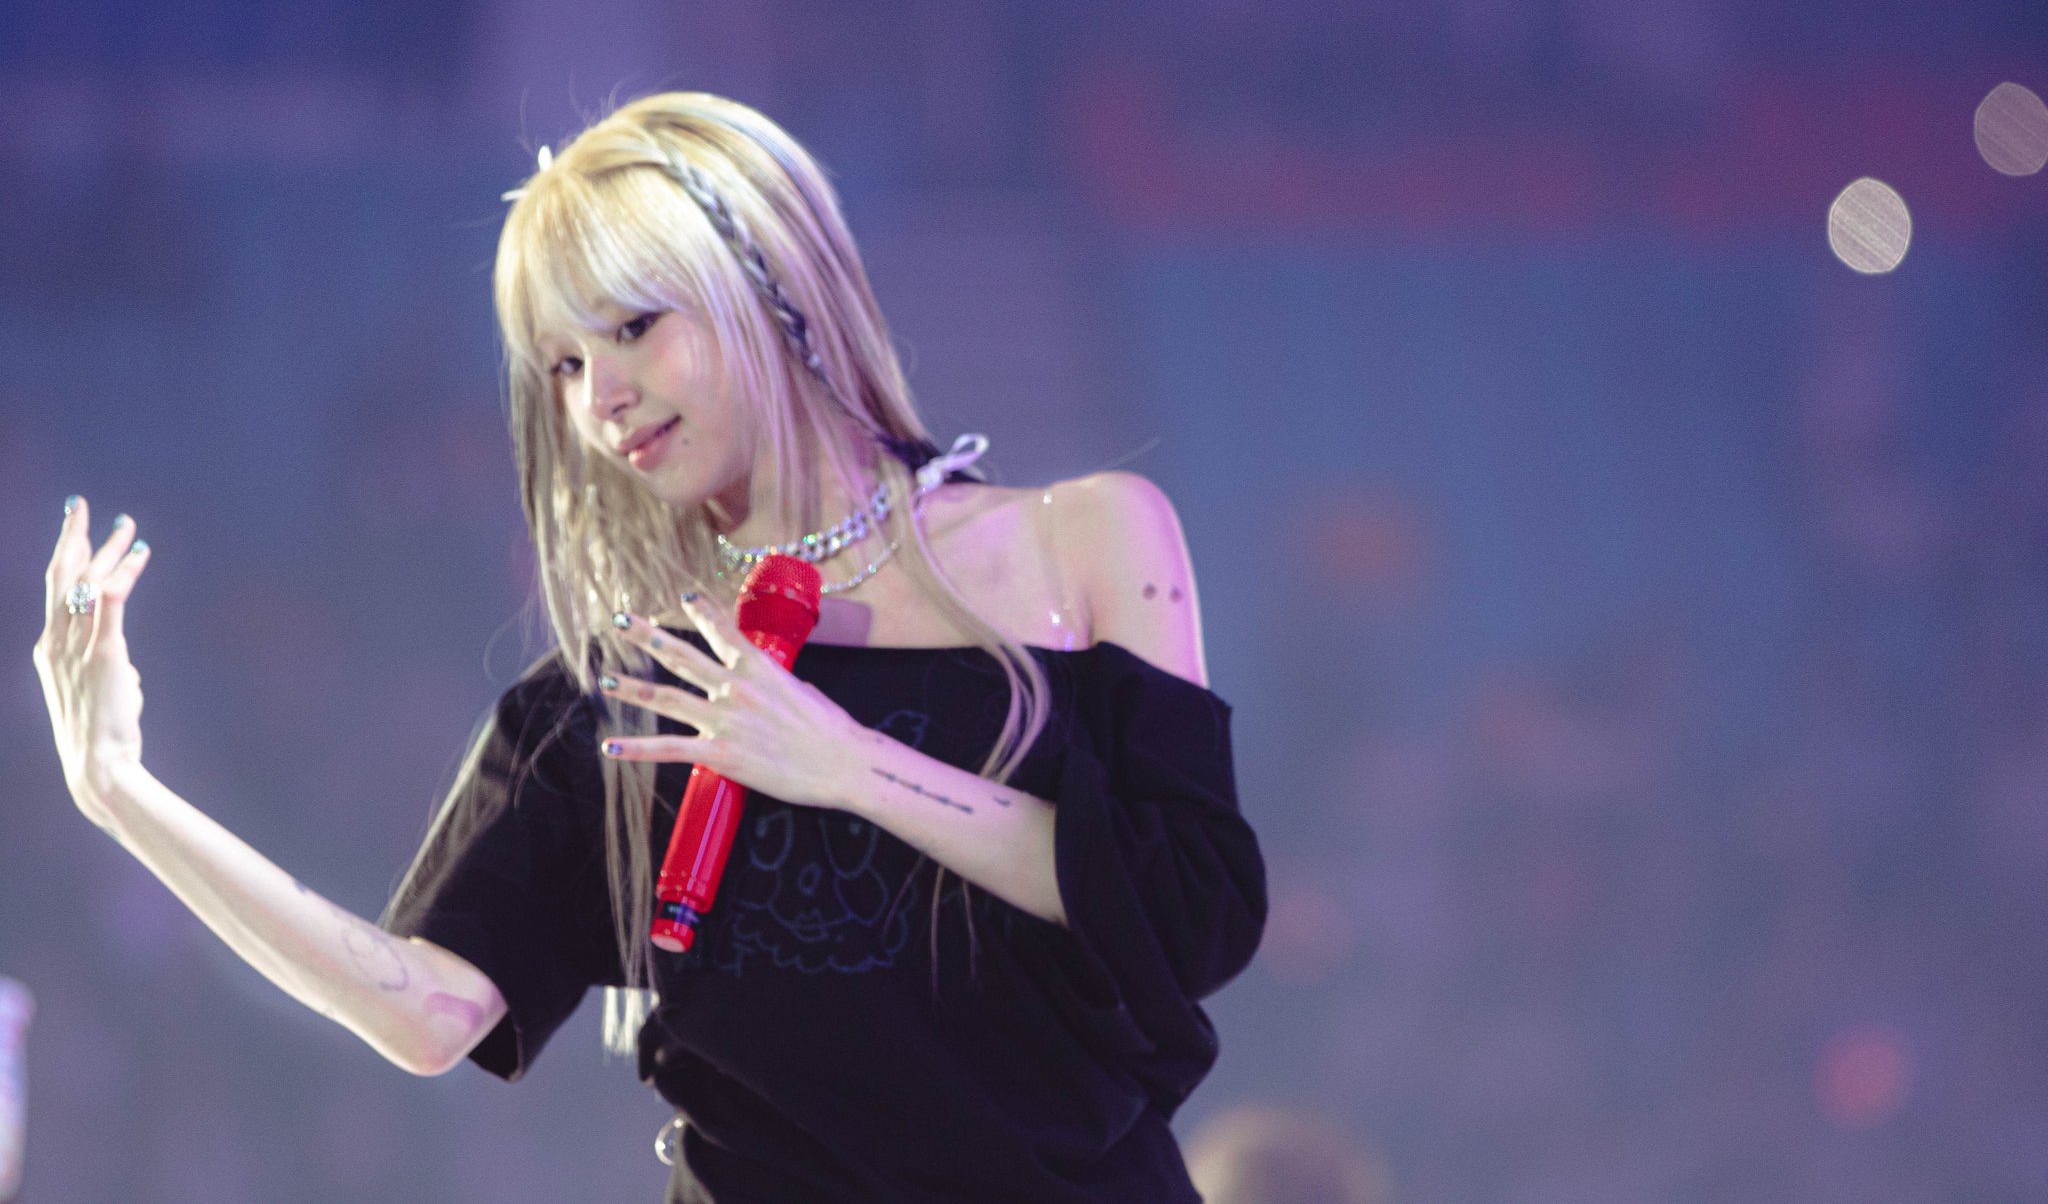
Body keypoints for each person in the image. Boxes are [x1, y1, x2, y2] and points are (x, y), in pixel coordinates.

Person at [33, 92, 1268, 1202]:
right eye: (564, 365)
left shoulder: (1084, 542)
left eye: (632, 326)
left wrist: (849, 765)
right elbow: (427, 1012)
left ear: (767, 285)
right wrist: (121, 793)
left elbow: (1190, 914)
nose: (600, 397)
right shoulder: (618, 694)